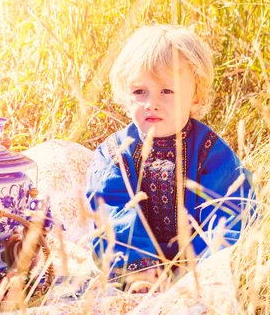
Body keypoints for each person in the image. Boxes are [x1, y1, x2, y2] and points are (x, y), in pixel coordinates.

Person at [86, 24, 252, 293]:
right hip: (136, 268)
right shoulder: (116, 153)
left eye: (167, 91)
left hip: (198, 265)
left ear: (195, 97)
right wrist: (141, 268)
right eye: (140, 91)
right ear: (125, 96)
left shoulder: (210, 151)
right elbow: (111, 211)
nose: (151, 102)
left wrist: (194, 268)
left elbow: (230, 212)